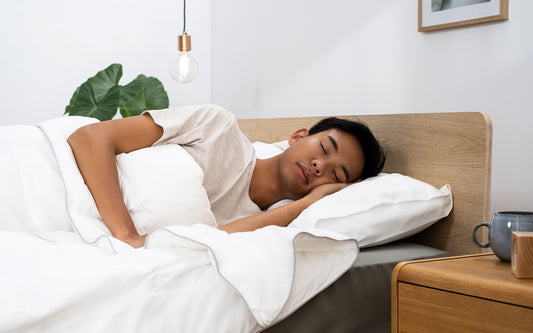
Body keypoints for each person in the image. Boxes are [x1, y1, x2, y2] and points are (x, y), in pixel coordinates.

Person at [67, 105, 386, 248]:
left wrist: (310, 203)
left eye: (335, 174)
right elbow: (89, 138)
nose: (320, 166)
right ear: (298, 136)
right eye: (323, 148)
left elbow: (211, 241)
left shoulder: (264, 229)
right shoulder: (217, 127)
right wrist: (126, 236)